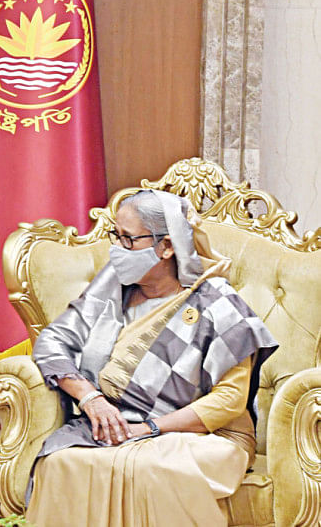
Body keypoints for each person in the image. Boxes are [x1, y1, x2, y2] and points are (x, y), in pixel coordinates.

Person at [27, 189, 278, 526]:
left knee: (150, 469)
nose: (117, 249)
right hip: (116, 426)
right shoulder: (112, 286)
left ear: (167, 246)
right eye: (116, 236)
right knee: (60, 463)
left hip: (205, 436)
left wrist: (148, 428)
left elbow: (229, 400)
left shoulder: (216, 301)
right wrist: (90, 398)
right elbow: (52, 342)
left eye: (128, 239)